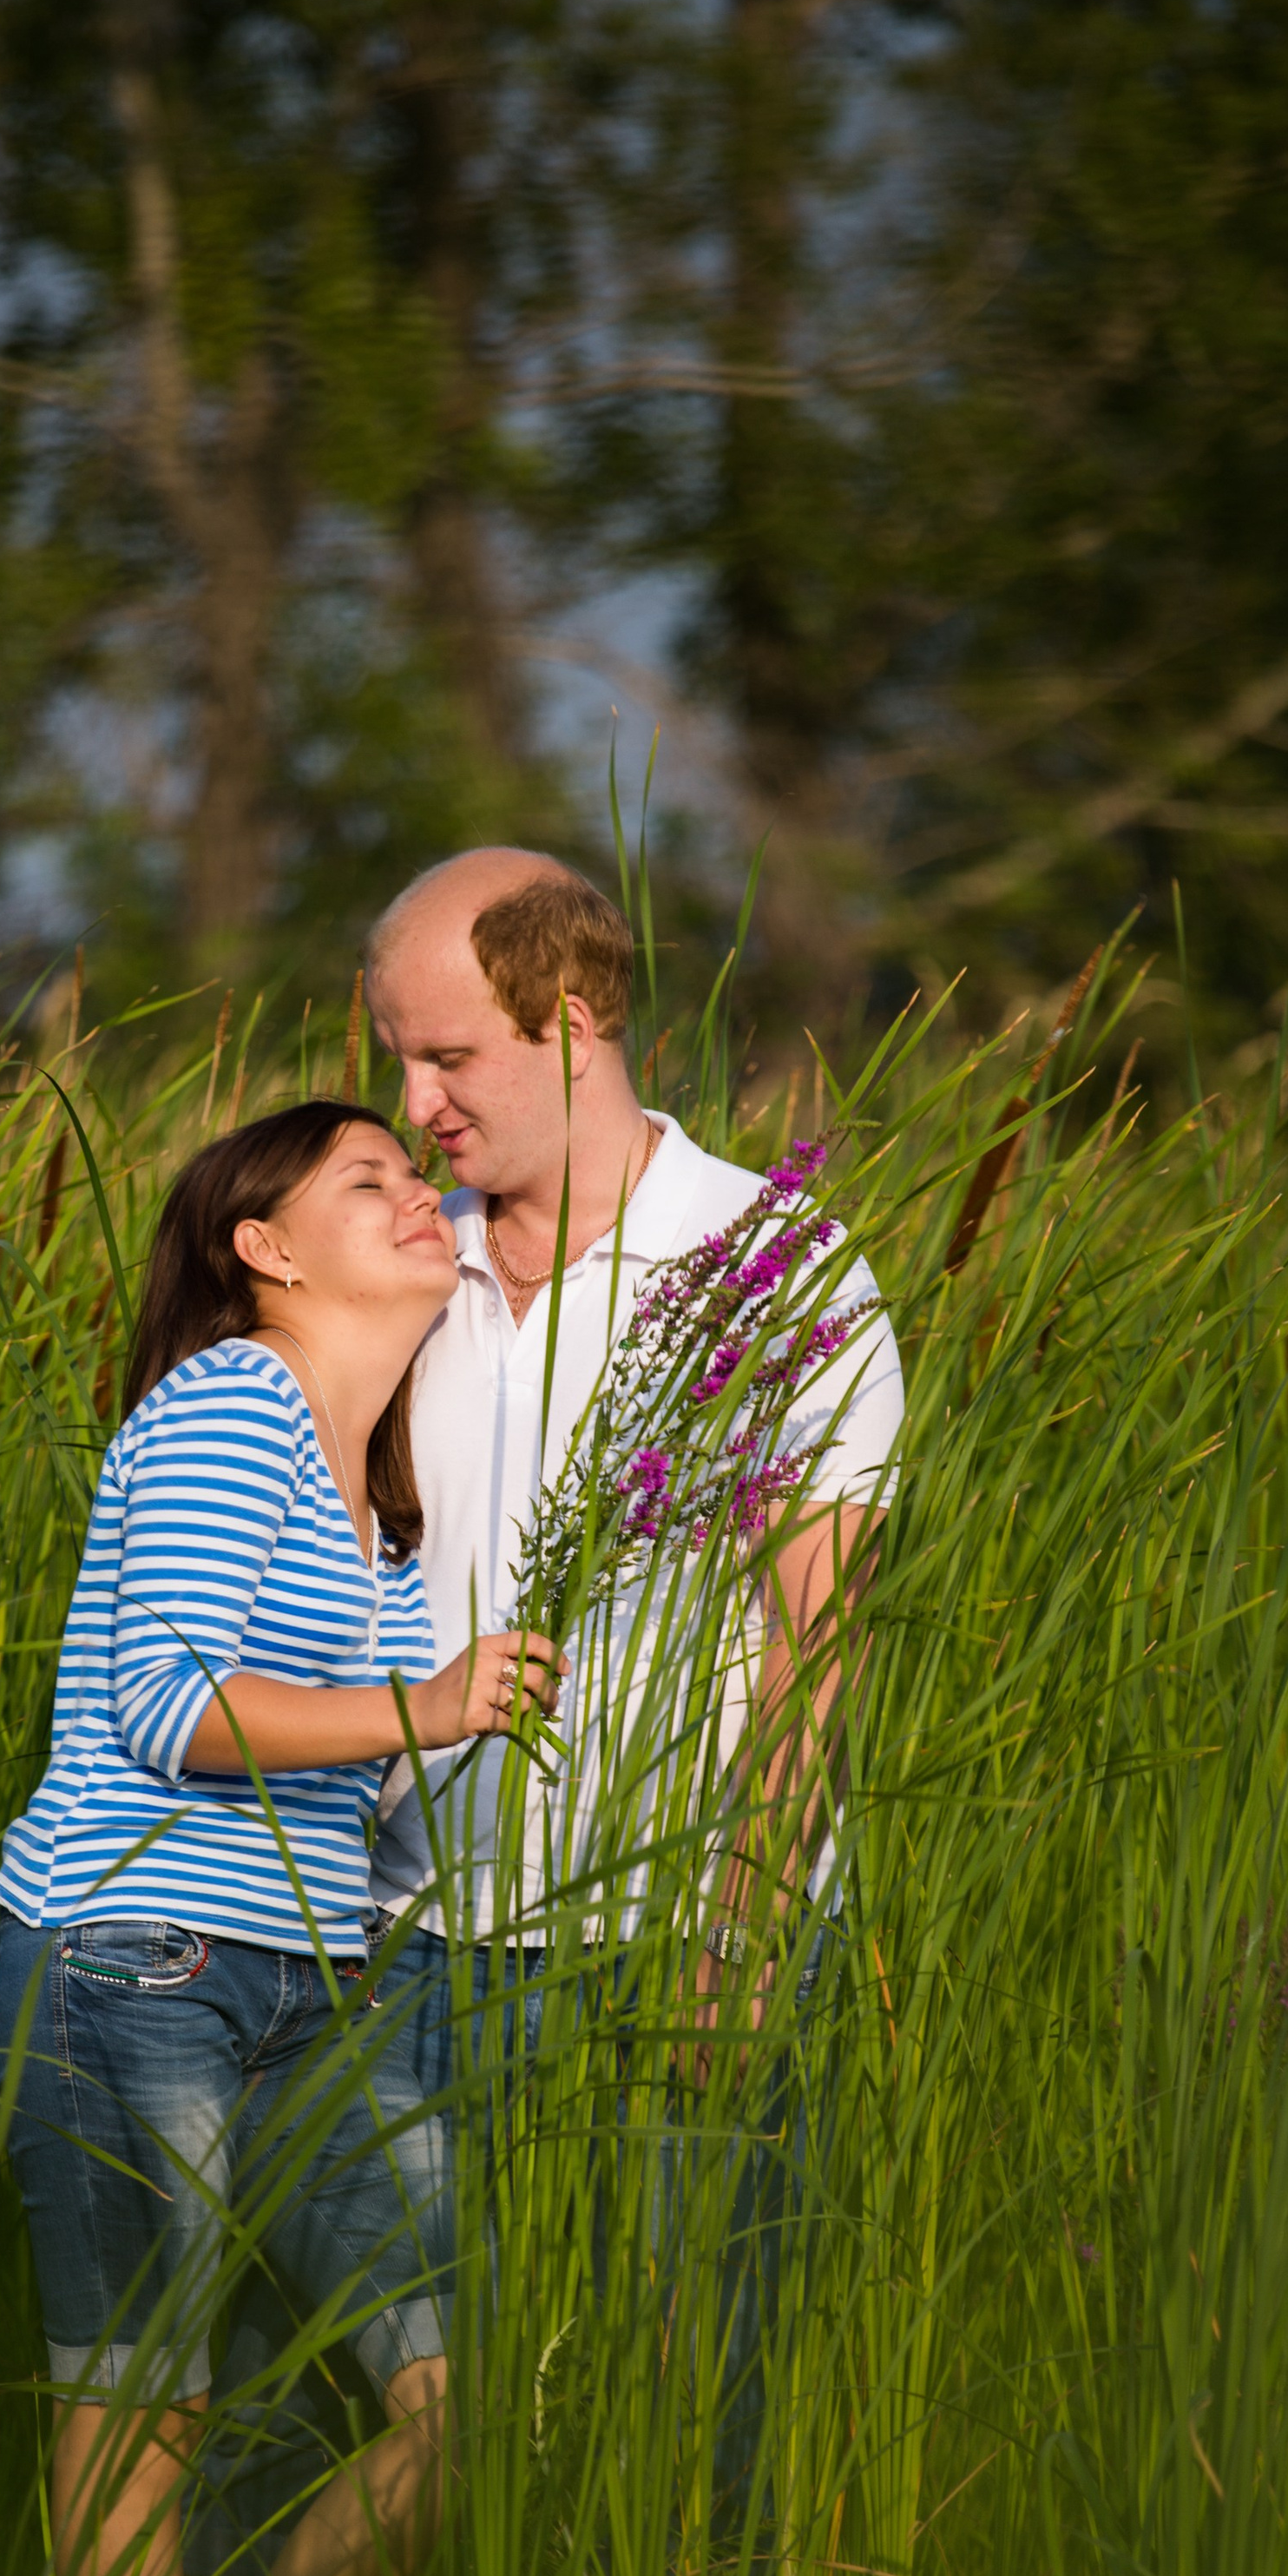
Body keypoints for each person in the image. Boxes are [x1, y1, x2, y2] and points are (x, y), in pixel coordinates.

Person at [0, 1097, 562, 2576]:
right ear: (266, 1250)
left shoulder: (364, 1474)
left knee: (460, 2402)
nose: (420, 1199)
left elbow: (328, 1776)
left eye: (420, 1175)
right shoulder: (231, 1406)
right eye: (368, 1182)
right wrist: (435, 1707)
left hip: (312, 1986)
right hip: (123, 1959)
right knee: (139, 2411)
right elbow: (169, 1711)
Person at [363, 848, 905, 2112]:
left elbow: (817, 1634)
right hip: (393, 1947)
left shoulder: (774, 1269)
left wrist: (744, 1932)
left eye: (445, 1057)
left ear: (567, 1023)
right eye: (397, 1058)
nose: (414, 1102)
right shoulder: (397, 1267)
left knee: (672, 2316)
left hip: (664, 1942)